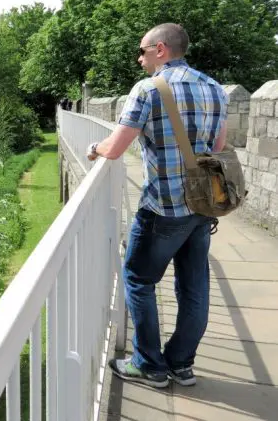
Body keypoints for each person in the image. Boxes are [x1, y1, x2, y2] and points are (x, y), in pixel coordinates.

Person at [85, 23, 228, 389]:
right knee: (194, 289)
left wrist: (94, 149)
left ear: (160, 49)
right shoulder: (214, 88)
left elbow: (115, 149)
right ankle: (181, 365)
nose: (140, 58)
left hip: (164, 209)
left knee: (138, 278)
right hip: (203, 207)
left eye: (143, 50)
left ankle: (150, 365)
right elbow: (220, 146)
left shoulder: (149, 90)